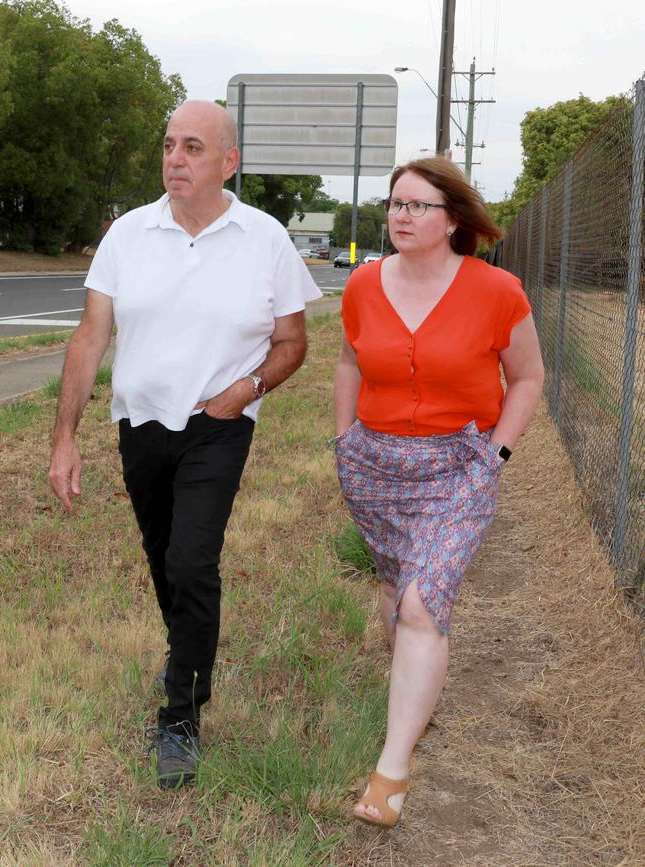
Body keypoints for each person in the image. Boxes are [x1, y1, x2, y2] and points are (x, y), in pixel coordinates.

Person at [49, 100, 321, 788]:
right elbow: (90, 337)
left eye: (193, 147)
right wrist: (65, 439)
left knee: (193, 560)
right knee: (166, 560)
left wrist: (248, 388)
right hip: (139, 421)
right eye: (170, 145)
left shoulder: (264, 240)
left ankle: (180, 716)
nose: (176, 158)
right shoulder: (128, 235)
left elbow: (294, 343)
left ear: (229, 161)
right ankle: (187, 652)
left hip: (219, 422)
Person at [333, 157, 544, 827]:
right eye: (395, 203)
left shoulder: (499, 291)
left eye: (418, 205)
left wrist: (495, 456)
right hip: (373, 464)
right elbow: (347, 361)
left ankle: (391, 771)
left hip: (458, 467)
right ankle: (416, 694)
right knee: (401, 595)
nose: (401, 215)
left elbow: (530, 377)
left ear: (452, 218)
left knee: (423, 600)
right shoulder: (364, 284)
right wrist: (343, 442)